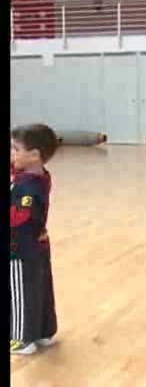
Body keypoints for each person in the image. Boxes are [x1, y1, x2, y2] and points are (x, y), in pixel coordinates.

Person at [10, 123, 59, 355]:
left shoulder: (27, 186)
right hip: (39, 244)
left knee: (19, 289)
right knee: (39, 288)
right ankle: (43, 331)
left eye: (15, 149)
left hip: (20, 247)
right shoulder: (39, 176)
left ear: (34, 155)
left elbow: (20, 218)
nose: (12, 154)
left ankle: (22, 339)